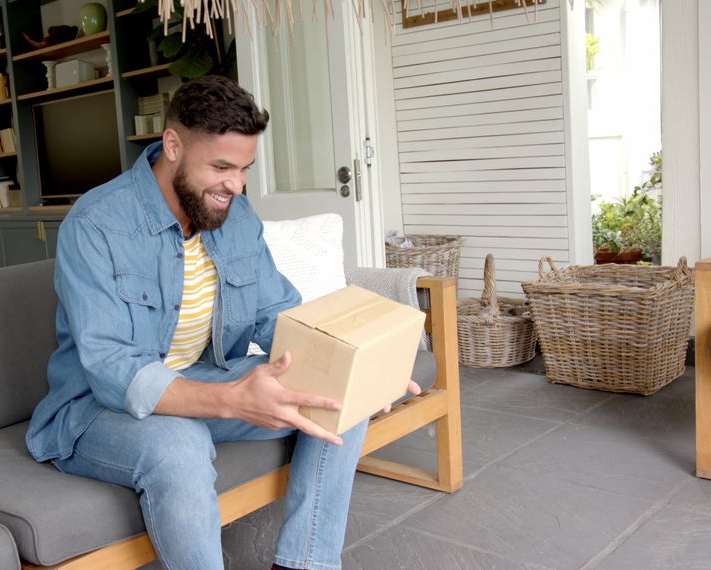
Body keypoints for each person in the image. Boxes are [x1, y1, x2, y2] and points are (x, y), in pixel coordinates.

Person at [26, 75, 419, 570]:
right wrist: (232, 399)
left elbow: (278, 316)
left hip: (199, 379)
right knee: (178, 442)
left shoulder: (237, 216)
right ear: (173, 145)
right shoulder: (96, 224)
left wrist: (358, 368)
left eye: (245, 168)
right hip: (95, 410)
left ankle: (303, 565)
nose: (236, 185)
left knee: (336, 394)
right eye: (221, 167)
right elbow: (112, 369)